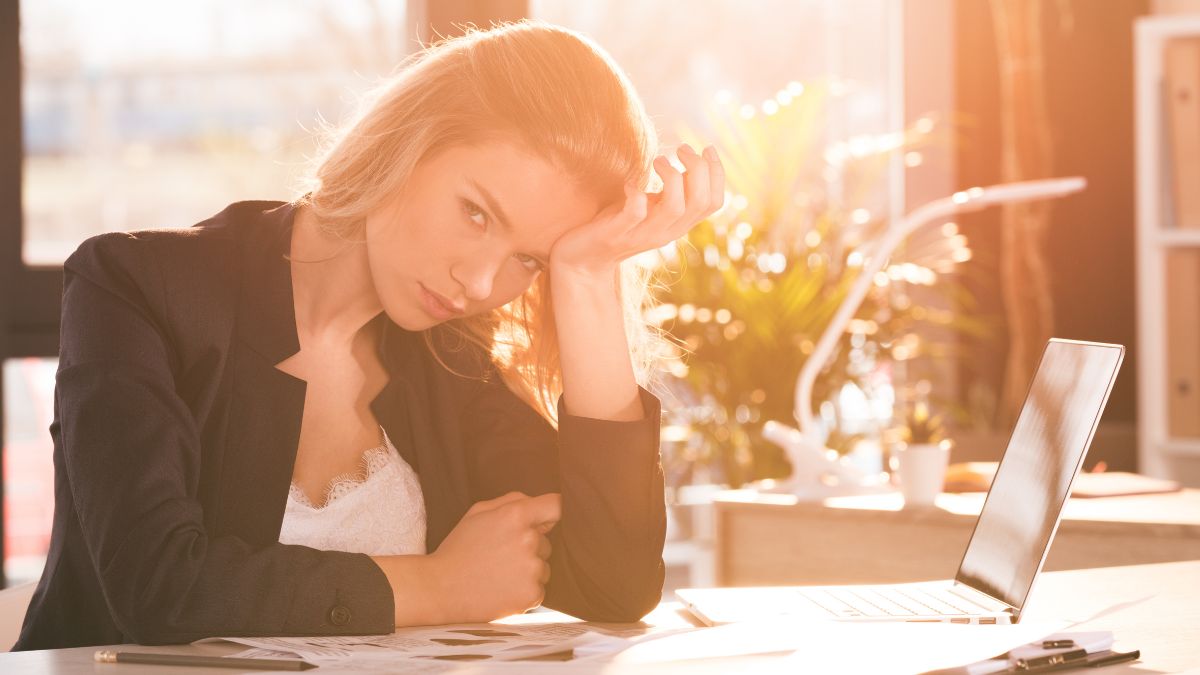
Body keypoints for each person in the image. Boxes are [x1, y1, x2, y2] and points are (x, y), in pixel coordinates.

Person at [14, 20, 724, 650]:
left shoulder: (452, 359)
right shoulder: (134, 285)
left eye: (527, 258)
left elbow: (613, 586)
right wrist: (439, 585)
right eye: (477, 213)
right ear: (409, 142)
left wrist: (588, 276)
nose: (479, 282)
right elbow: (154, 585)